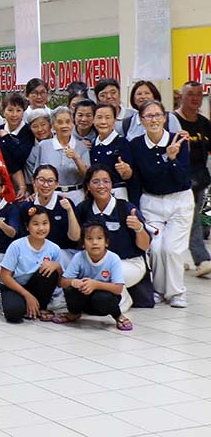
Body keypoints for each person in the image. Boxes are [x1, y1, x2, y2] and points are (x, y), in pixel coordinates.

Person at [128, 100, 193, 307]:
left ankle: (176, 293)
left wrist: (172, 159)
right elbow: (136, 180)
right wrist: (133, 207)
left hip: (179, 200)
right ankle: (158, 290)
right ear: (141, 120)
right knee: (155, 248)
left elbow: (182, 178)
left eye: (158, 115)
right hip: (151, 201)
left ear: (165, 118)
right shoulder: (136, 145)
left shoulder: (179, 140)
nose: (154, 120)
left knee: (172, 249)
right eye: (149, 116)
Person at [75, 166, 150, 313]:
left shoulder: (126, 208)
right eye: (96, 182)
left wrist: (138, 228)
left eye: (106, 181)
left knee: (105, 272)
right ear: (88, 186)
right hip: (96, 263)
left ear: (112, 185)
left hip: (128, 263)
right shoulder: (83, 209)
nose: (101, 186)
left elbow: (144, 246)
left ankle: (123, 298)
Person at [54, 222, 130, 330]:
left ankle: (118, 316)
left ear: (106, 242)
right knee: (70, 290)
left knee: (103, 297)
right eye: (89, 239)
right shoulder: (79, 257)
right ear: (83, 243)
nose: (94, 242)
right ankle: (74, 313)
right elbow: (63, 282)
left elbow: (118, 288)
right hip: (84, 298)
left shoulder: (113, 258)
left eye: (99, 238)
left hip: (102, 299)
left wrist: (96, 285)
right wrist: (74, 282)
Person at [0, 206, 63, 323]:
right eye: (35, 224)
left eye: (45, 223)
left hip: (36, 285)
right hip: (16, 287)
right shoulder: (16, 246)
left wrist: (58, 267)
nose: (41, 228)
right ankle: (25, 305)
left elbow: (60, 282)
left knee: (51, 271)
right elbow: (4, 276)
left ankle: (40, 307)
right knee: (14, 313)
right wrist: (27, 295)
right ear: (27, 226)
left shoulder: (54, 248)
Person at [174, 81, 211, 277]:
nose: (195, 98)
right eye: (190, 94)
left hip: (199, 179)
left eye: (198, 94)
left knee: (193, 217)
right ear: (181, 96)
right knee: (186, 219)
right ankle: (201, 258)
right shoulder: (172, 121)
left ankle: (193, 258)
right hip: (178, 179)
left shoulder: (204, 123)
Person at [20, 164, 81, 269]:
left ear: (57, 184)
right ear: (34, 181)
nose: (46, 185)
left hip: (63, 253)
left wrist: (69, 211)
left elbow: (75, 237)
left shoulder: (65, 203)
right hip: (35, 253)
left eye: (50, 181)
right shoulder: (27, 206)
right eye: (41, 180)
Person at [25, 106, 89, 204]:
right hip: (50, 194)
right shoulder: (44, 145)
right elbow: (36, 175)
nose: (64, 126)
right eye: (59, 122)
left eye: (68, 122)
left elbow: (88, 175)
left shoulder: (82, 146)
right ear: (53, 126)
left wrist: (76, 158)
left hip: (77, 195)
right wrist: (38, 197)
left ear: (73, 124)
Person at [89, 103, 136, 204]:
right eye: (99, 117)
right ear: (93, 120)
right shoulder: (93, 144)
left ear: (114, 120)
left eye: (108, 117)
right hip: (96, 194)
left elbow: (129, 175)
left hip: (117, 193)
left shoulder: (122, 143)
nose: (103, 122)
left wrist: (126, 170)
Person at [0, 94, 32, 198]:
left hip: (25, 183)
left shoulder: (28, 131)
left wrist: (7, 138)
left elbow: (20, 156)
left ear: (23, 112)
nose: (14, 114)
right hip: (1, 181)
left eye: (18, 110)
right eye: (10, 110)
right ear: (3, 112)